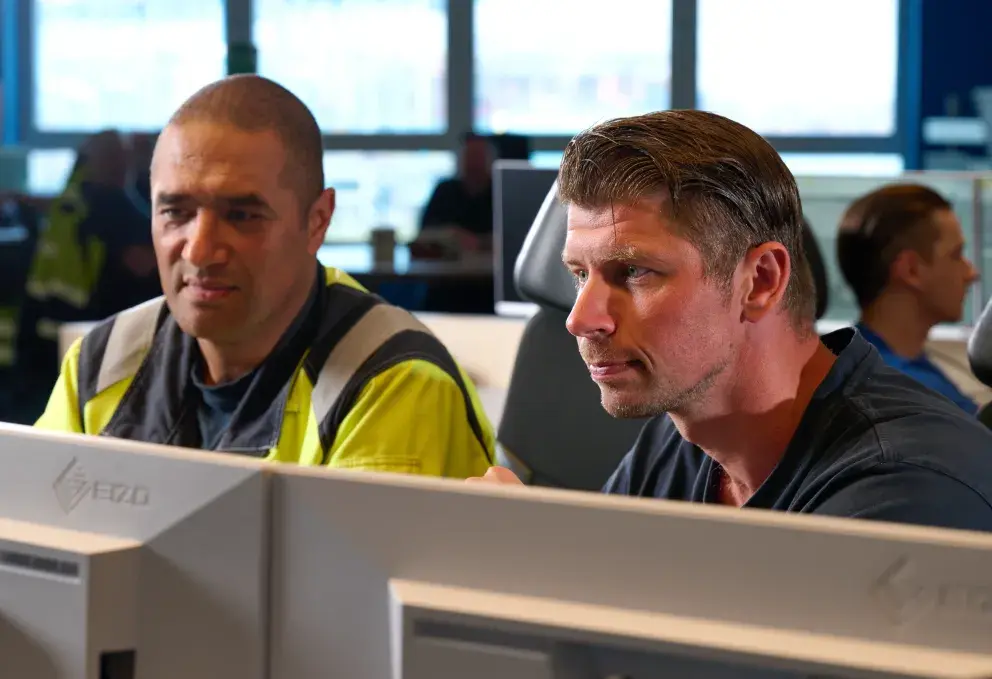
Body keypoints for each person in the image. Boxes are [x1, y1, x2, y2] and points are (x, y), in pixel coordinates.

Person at [469, 110, 992, 532]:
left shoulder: (906, 486)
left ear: (760, 281)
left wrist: (533, 549)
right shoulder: (680, 439)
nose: (580, 319)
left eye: (634, 272)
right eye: (579, 274)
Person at [35, 74, 495, 478]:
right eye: (175, 212)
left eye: (242, 215)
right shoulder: (99, 364)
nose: (199, 250)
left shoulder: (390, 383)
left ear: (317, 221)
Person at [17, 130, 161, 422]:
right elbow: (142, 264)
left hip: (50, 326)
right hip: (101, 328)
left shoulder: (73, 198)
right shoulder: (113, 205)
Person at [836, 184, 980, 414]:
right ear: (911, 270)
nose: (971, 273)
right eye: (956, 256)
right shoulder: (901, 392)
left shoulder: (865, 364)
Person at [419, 133, 494, 250]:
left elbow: (511, 235)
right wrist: (450, 234)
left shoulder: (500, 193)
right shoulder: (445, 191)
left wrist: (480, 242)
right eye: (470, 156)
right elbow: (424, 232)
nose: (474, 163)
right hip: (448, 259)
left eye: (479, 157)